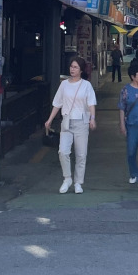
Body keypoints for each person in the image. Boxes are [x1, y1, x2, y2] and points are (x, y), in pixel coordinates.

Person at [43, 57, 97, 194]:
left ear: (81, 70)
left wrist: (92, 118)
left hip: (82, 122)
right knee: (63, 151)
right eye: (71, 66)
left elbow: (91, 103)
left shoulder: (86, 85)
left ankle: (78, 182)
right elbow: (57, 103)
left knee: (81, 154)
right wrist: (50, 120)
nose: (72, 69)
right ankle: (67, 178)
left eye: (75, 67)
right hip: (66, 121)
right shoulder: (64, 85)